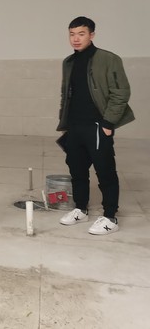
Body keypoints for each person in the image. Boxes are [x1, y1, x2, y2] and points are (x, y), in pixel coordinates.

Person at [57, 16, 134, 235]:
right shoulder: (68, 62)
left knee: (105, 171)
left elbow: (121, 92)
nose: (76, 38)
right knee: (77, 170)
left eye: (81, 34)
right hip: (74, 126)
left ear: (92, 35)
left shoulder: (108, 59)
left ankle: (110, 216)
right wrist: (65, 123)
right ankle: (80, 209)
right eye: (72, 34)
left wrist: (108, 123)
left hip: (98, 126)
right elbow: (65, 94)